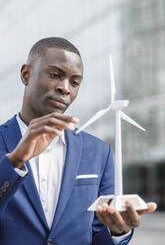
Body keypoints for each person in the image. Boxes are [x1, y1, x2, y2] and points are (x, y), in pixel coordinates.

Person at [0, 37, 156, 245]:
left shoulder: (99, 152)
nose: (65, 88)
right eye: (55, 75)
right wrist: (15, 161)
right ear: (26, 74)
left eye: (75, 82)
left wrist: (118, 232)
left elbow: (99, 235)